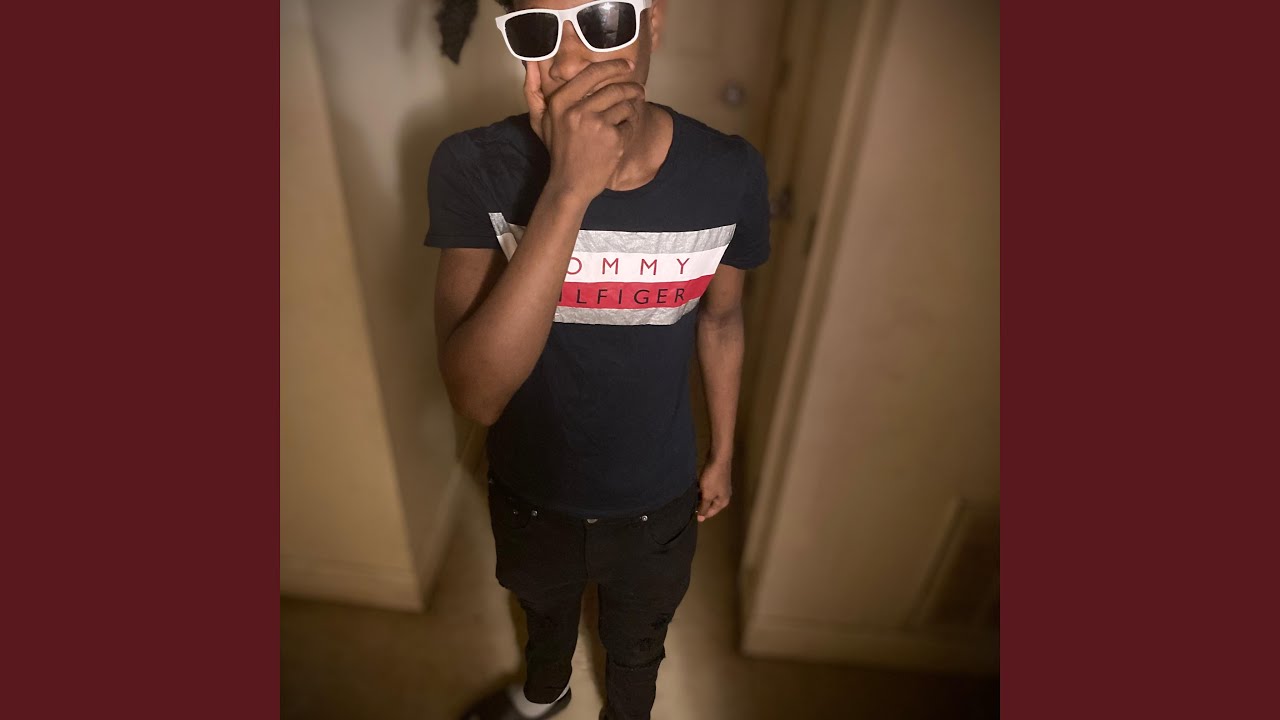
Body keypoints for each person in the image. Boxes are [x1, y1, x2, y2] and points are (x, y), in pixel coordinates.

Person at [425, 1, 770, 718]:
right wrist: (567, 190)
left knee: (637, 646)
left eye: (601, 20)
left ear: (654, 25)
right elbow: (476, 397)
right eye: (538, 31)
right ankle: (544, 698)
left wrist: (724, 452)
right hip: (531, 486)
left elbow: (722, 319)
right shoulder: (475, 166)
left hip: (658, 495)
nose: (570, 60)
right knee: (543, 618)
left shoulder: (729, 171)